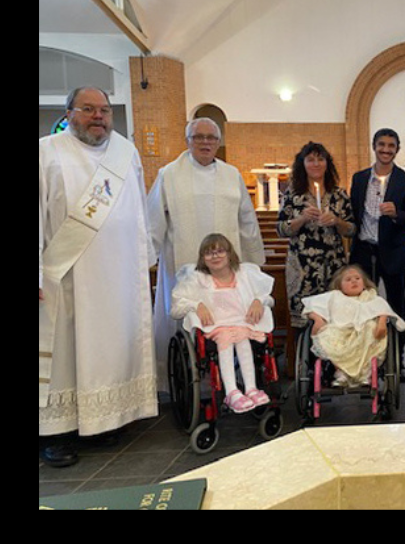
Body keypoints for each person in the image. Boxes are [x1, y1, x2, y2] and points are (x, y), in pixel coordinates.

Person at [39, 87, 158, 467]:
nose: (99, 117)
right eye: (88, 109)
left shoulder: (126, 151)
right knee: (63, 355)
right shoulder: (47, 151)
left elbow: (139, 205)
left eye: (104, 110)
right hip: (64, 273)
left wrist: (145, 258)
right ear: (69, 112)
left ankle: (105, 421)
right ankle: (55, 434)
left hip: (118, 272)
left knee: (108, 346)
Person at [147, 118, 265, 390]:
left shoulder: (231, 174)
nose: (205, 142)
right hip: (183, 262)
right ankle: (183, 381)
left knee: (228, 317)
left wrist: (253, 262)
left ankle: (231, 379)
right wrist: (147, 257)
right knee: (186, 316)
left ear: (219, 142)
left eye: (211, 137)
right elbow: (153, 219)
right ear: (187, 140)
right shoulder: (169, 174)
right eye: (198, 137)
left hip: (227, 269)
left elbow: (246, 219)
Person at [171, 234, 275, 414]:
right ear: (203, 258)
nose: (215, 256)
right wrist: (197, 305)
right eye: (209, 253)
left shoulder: (244, 274)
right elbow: (177, 306)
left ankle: (250, 388)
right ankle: (232, 391)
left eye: (220, 251)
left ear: (229, 254)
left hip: (242, 323)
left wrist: (259, 300)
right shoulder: (198, 279)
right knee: (226, 340)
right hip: (217, 327)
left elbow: (268, 297)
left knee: (242, 340)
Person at [349, 128, 405, 380]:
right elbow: (353, 215)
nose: (386, 150)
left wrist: (396, 213)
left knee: (396, 306)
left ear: (397, 149)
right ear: (374, 146)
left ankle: (396, 361)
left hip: (393, 252)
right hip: (363, 251)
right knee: (362, 308)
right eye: (382, 145)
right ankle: (364, 360)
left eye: (391, 145)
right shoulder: (359, 179)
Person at [277, 142, 356, 331]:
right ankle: (305, 360)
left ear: (327, 163)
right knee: (305, 322)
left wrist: (336, 221)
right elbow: (281, 229)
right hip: (303, 267)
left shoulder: (339, 195)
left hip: (333, 264)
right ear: (302, 164)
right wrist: (302, 219)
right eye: (311, 160)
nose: (316, 164)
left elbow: (352, 229)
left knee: (335, 321)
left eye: (320, 159)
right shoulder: (292, 195)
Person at [302, 264, 405, 387]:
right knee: (329, 334)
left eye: (357, 278)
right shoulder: (334, 296)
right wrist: (317, 319)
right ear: (339, 285)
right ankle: (341, 372)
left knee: (370, 329)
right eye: (348, 279)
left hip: (364, 332)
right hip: (340, 330)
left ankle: (365, 373)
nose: (354, 281)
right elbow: (311, 306)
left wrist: (382, 322)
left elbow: (383, 310)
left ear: (364, 282)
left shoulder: (370, 296)